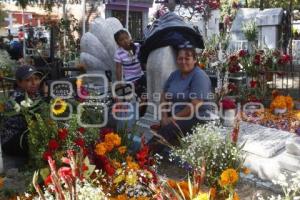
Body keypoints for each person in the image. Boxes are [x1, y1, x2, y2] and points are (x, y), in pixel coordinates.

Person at [148, 43, 213, 153]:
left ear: (194, 60)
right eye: (180, 58)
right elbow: (164, 96)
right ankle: (151, 154)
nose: (183, 62)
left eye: (187, 59)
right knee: (162, 126)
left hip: (196, 117)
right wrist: (164, 117)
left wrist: (172, 119)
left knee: (168, 130)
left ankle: (144, 155)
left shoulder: (199, 76)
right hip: (176, 115)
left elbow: (195, 105)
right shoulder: (175, 74)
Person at [1, 65, 46, 156]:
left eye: (36, 78)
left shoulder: (36, 93)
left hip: (27, 136)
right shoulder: (16, 100)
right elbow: (34, 121)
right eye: (28, 80)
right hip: (13, 141)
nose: (34, 83)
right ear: (19, 82)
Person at [113, 29, 147, 117]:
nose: (125, 41)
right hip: (130, 80)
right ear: (118, 43)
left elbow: (144, 58)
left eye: (126, 38)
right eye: (121, 40)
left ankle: (140, 114)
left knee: (147, 96)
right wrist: (119, 83)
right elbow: (118, 69)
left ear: (129, 38)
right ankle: (137, 116)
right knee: (140, 98)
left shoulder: (137, 46)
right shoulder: (118, 53)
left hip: (141, 76)